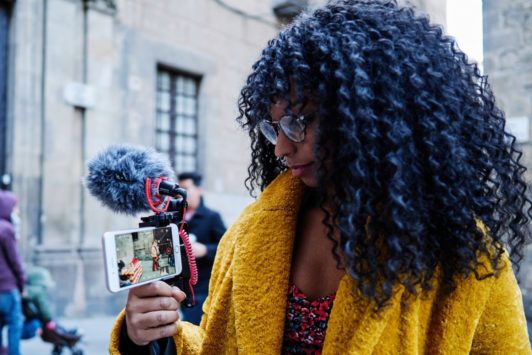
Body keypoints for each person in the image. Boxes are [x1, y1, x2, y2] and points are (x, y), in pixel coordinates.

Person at [110, 1, 532, 353]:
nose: (280, 148)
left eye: (299, 122)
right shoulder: (250, 233)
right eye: (272, 128)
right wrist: (147, 334)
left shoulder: (462, 253)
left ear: (372, 117)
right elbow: (219, 345)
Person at [177, 172, 227, 325]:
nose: (181, 194)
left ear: (199, 190)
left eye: (185, 188)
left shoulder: (212, 217)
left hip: (202, 288)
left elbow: (226, 248)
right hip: (178, 288)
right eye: (178, 190)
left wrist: (205, 250)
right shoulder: (174, 218)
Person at [0, 190, 25, 355]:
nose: (17, 211)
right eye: (15, 207)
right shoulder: (6, 229)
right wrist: (23, 283)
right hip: (7, 288)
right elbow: (15, 261)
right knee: (15, 325)